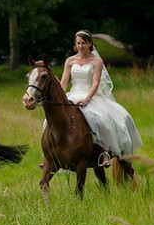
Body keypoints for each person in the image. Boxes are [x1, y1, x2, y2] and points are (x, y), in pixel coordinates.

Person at [52, 30, 142, 167]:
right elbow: (64, 82)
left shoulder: (96, 61)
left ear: (89, 43)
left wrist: (87, 99)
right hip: (74, 94)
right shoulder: (70, 61)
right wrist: (61, 99)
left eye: (83, 43)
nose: (81, 46)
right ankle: (50, 154)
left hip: (91, 95)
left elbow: (95, 83)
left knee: (102, 119)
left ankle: (105, 152)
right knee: (50, 120)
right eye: (78, 43)